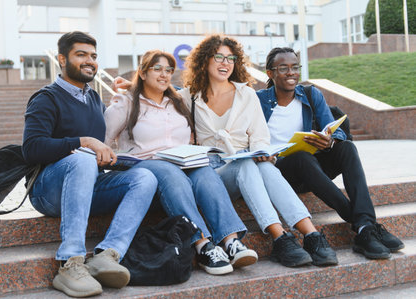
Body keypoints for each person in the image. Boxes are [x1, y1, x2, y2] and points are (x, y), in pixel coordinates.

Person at [179, 34, 338, 267]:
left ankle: (312, 235)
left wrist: (262, 152)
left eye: (230, 58)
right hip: (212, 175)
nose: (225, 63)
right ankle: (279, 237)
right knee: (247, 165)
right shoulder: (187, 97)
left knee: (262, 165)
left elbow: (260, 137)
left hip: (247, 164)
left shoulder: (246, 94)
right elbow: (153, 95)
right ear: (204, 61)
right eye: (219, 57)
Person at [22, 31, 158, 297]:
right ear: (62, 59)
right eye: (81, 54)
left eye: (94, 56)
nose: (90, 61)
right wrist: (83, 142)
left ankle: (106, 255)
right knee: (82, 159)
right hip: (48, 192)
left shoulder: (94, 97)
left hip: (87, 185)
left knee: (146, 177)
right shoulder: (46, 97)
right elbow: (31, 149)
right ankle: (70, 262)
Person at [104, 50, 258, 276]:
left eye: (168, 70)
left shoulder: (176, 101)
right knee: (169, 171)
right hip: (147, 165)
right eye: (157, 69)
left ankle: (230, 241)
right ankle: (203, 245)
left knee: (204, 171)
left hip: (182, 162)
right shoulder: (126, 102)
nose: (164, 74)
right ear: (143, 73)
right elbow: (103, 143)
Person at [256, 47, 404, 260]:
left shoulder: (310, 94)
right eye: (283, 68)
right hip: (281, 173)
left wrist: (329, 140)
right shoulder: (258, 100)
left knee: (347, 147)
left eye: (295, 67)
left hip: (313, 171)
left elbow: (335, 129)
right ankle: (363, 225)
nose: (291, 73)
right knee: (300, 158)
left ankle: (364, 227)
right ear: (270, 73)